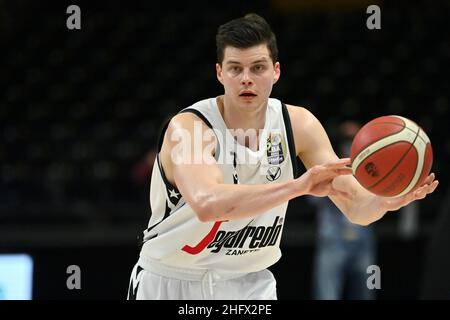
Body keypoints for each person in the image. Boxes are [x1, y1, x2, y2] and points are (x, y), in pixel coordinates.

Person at [127, 13, 438, 300]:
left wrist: (382, 201)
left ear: (275, 72)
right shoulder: (190, 128)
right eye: (235, 68)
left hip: (249, 284)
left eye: (258, 67)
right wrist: (301, 186)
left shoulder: (299, 125)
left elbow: (356, 207)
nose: (246, 78)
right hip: (171, 282)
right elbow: (209, 204)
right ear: (220, 73)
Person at [310, 121, 376, 300]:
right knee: (326, 294)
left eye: (354, 139)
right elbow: (313, 198)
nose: (350, 144)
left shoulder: (374, 168)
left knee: (369, 288)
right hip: (332, 239)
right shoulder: (328, 162)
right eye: (347, 139)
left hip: (363, 241)